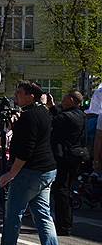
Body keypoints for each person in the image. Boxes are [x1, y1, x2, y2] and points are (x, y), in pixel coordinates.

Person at [0, 81, 60, 245]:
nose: (16, 96)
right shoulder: (43, 112)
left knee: (13, 215)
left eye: (19, 93)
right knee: (44, 217)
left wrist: (10, 174)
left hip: (30, 172)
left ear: (31, 96)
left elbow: (25, 151)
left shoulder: (29, 117)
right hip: (47, 170)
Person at [49, 91, 86, 237]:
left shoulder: (66, 117)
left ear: (71, 100)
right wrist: (52, 106)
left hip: (65, 156)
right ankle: (66, 222)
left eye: (64, 98)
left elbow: (55, 120)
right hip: (76, 156)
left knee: (61, 190)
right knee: (67, 189)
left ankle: (63, 225)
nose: (62, 101)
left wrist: (51, 107)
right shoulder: (81, 115)